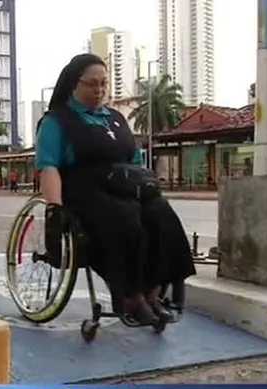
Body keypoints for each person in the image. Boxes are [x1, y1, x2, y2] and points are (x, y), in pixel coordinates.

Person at [35, 53, 196, 327]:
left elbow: (134, 160)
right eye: (91, 84)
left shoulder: (117, 119)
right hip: (82, 189)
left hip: (123, 184)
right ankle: (130, 296)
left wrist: (147, 185)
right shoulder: (57, 121)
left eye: (103, 84)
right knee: (124, 218)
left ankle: (153, 292)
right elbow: (48, 167)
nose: (99, 90)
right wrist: (54, 209)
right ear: (74, 84)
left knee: (161, 215)